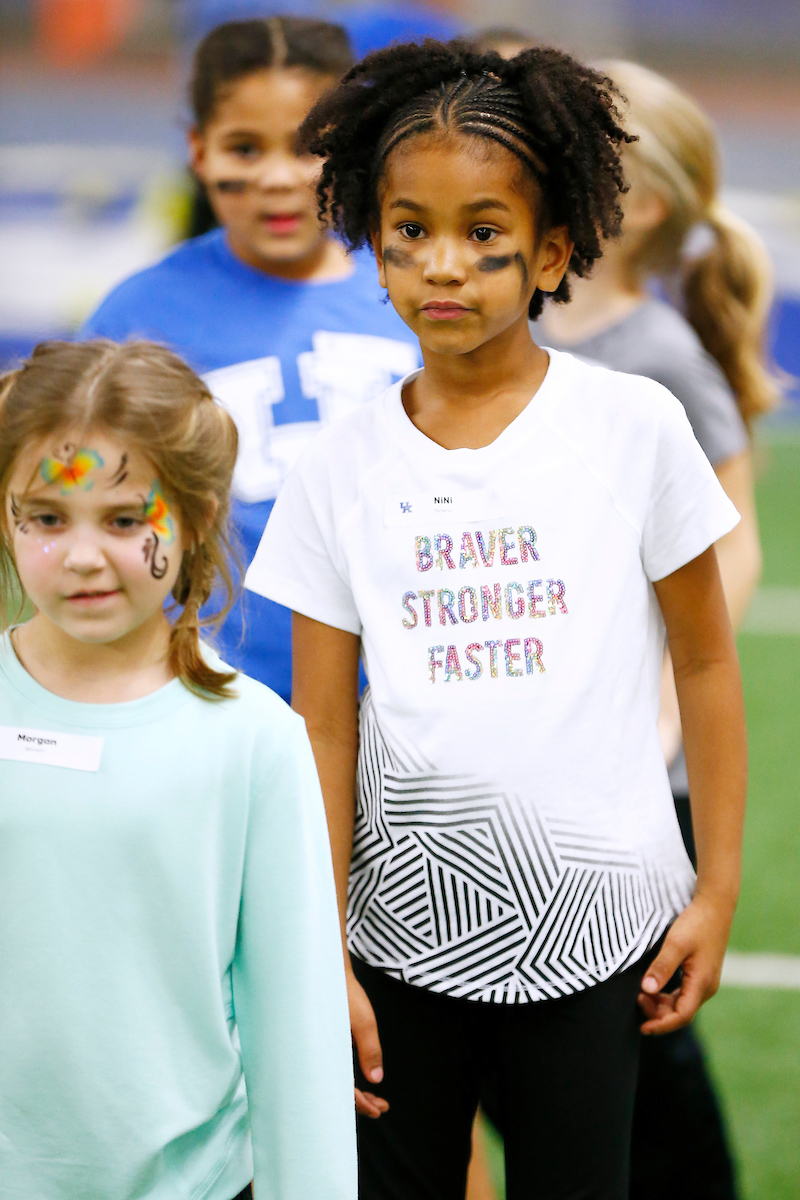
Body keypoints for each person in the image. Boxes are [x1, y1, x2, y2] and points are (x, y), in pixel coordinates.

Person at [245, 39, 748, 1200]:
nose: (442, 264)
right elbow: (322, 729)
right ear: (371, 247)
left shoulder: (632, 424)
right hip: (397, 936)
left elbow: (707, 661)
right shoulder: (334, 467)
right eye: (407, 229)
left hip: (597, 931)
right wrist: (325, 946)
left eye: (483, 232)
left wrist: (711, 895)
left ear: (554, 250)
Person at [0, 340, 356, 1200]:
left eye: (126, 519)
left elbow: (297, 1034)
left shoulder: (253, 738)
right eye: (46, 517)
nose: (83, 555)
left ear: (193, 516)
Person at [540, 60, 779, 1200]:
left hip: (625, 758)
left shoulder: (655, 356)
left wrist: (658, 720)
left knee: (630, 1022)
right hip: (511, 740)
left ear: (634, 203)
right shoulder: (492, 315)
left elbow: (732, 545)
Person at [81, 16, 419, 700]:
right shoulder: (136, 318)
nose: (276, 178)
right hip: (208, 698)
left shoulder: (421, 289)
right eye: (243, 148)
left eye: (307, 147)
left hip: (407, 705)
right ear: (198, 151)